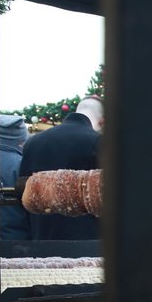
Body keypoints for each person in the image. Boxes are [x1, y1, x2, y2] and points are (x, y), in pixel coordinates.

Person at [18, 95, 103, 240]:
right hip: (86, 243)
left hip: (41, 238)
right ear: (102, 121)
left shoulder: (33, 142)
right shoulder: (97, 141)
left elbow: (22, 191)